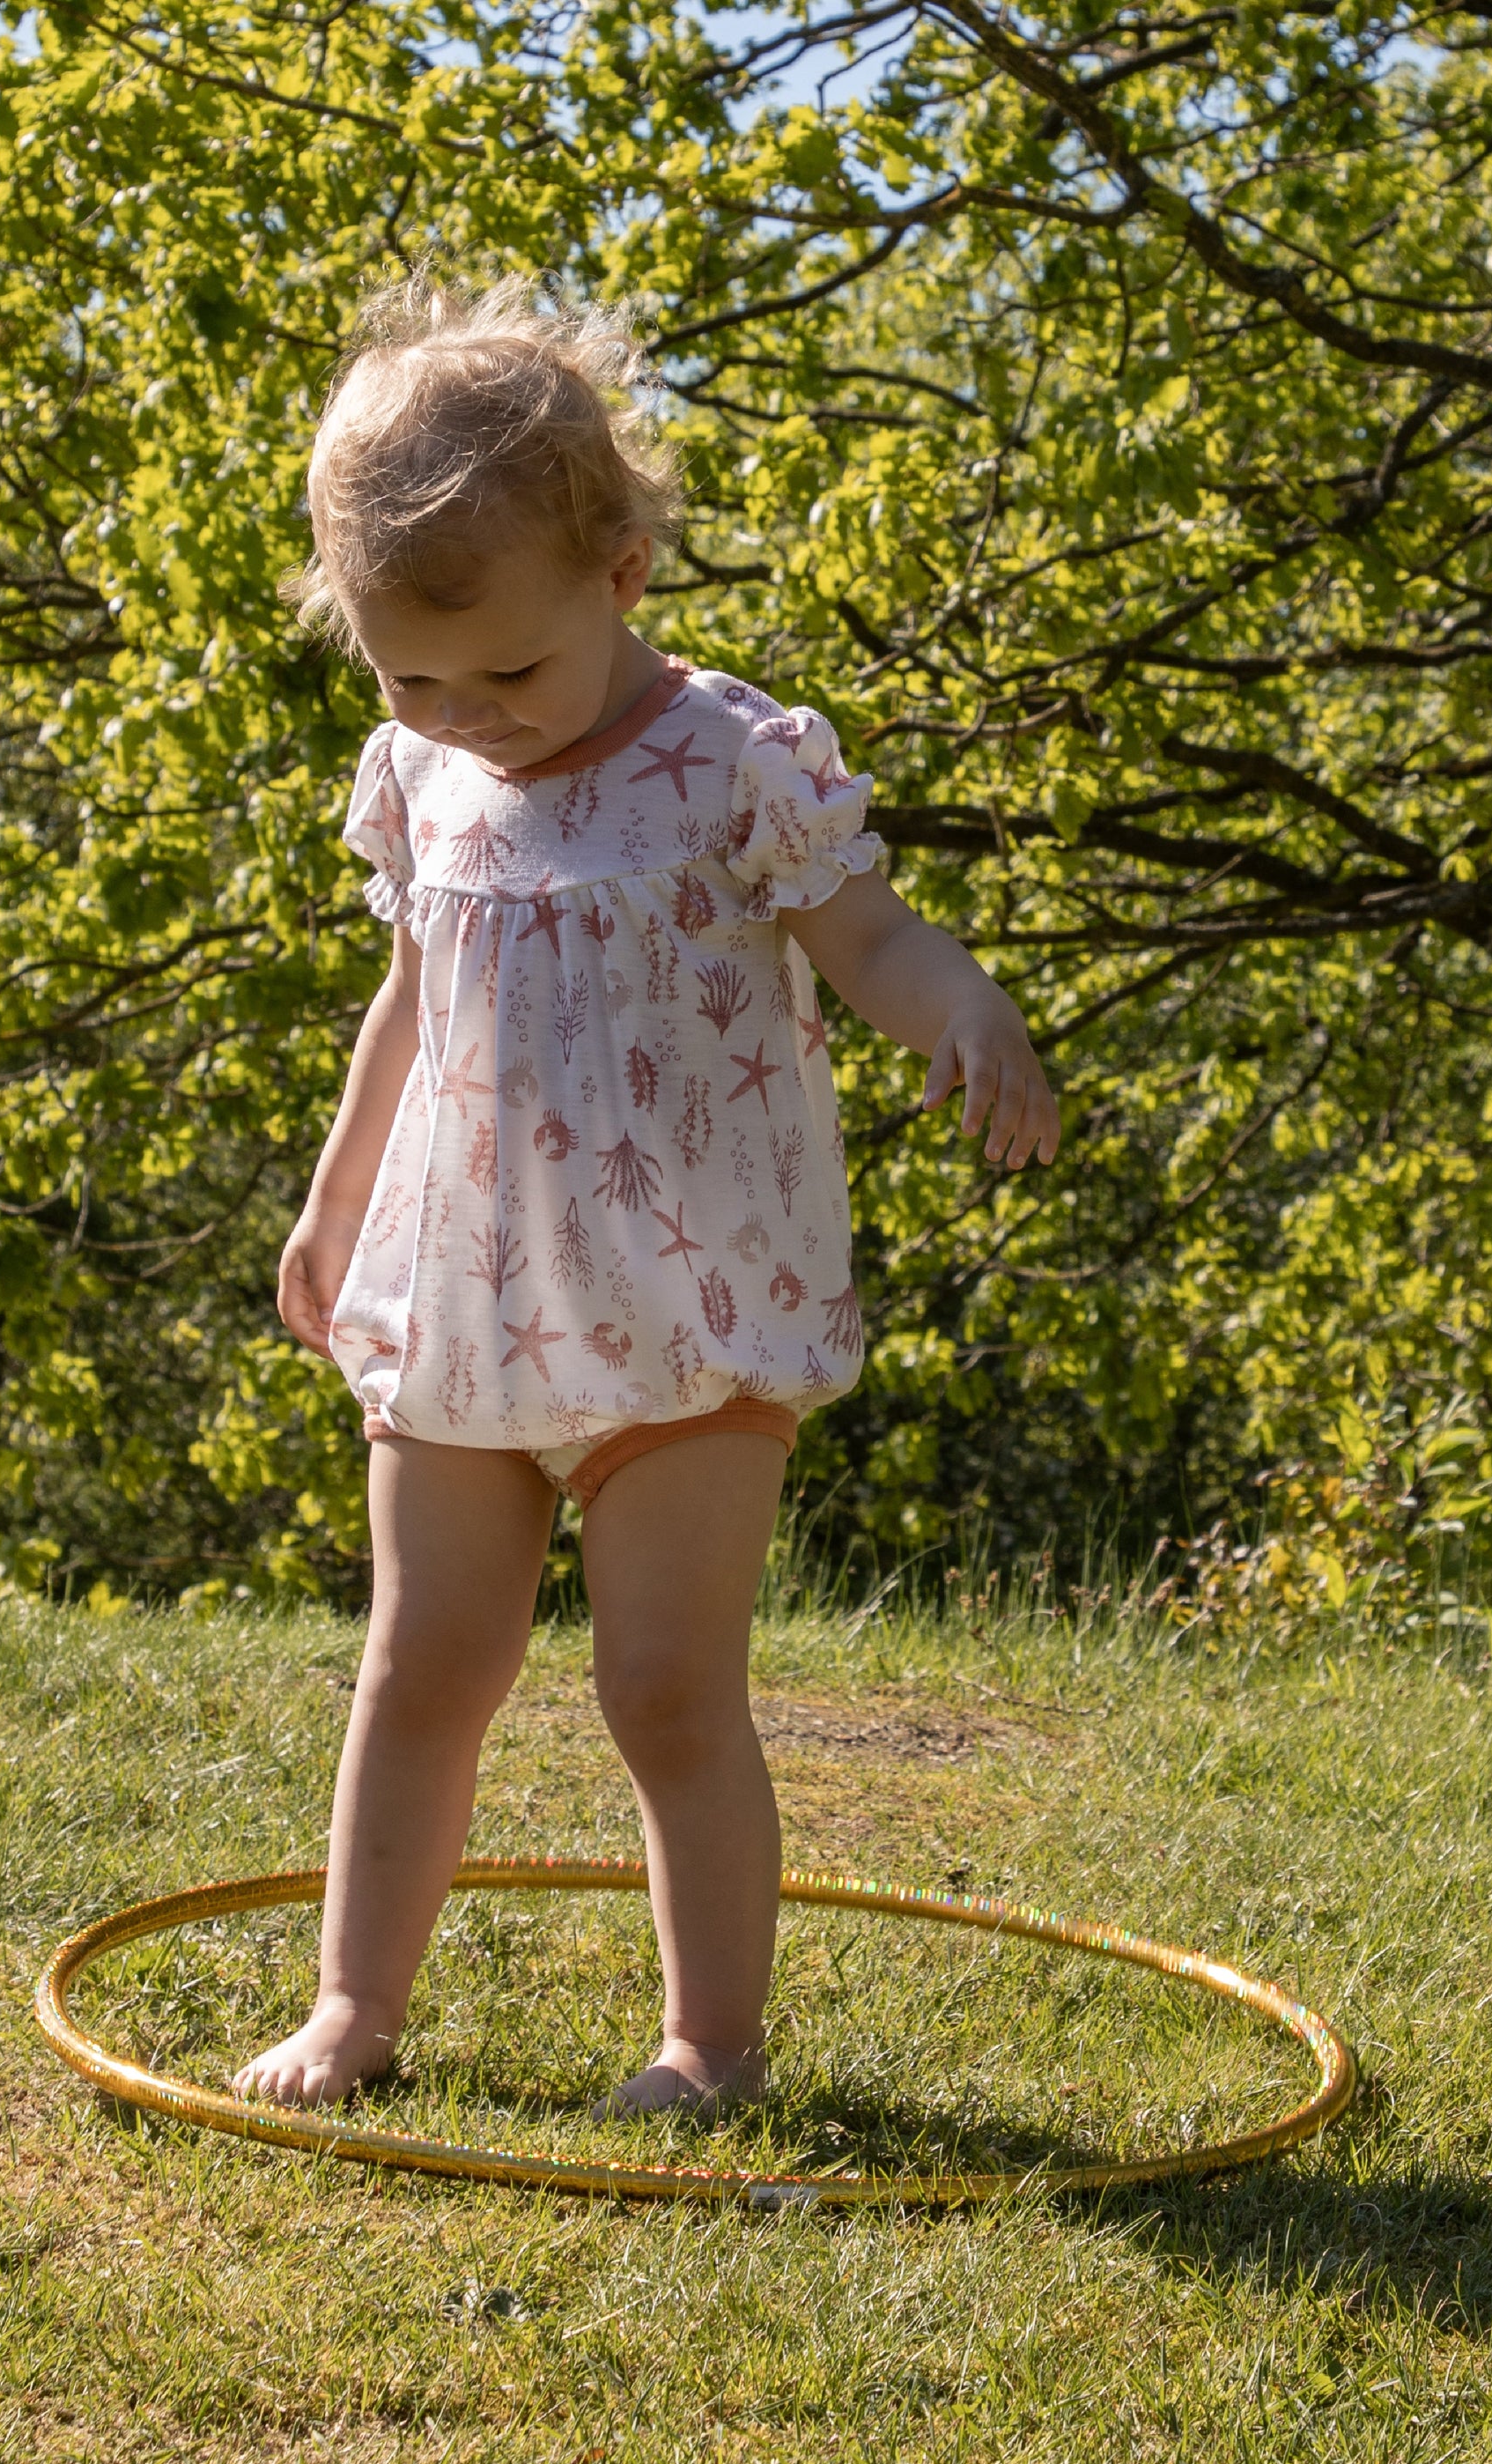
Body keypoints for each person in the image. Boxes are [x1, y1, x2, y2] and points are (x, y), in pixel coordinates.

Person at [233, 277, 1060, 2121]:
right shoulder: (424, 773)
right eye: (408, 677)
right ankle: (355, 2008)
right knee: (419, 1665)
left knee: (662, 1685)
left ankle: (710, 2047)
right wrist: (335, 1192)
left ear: (621, 567)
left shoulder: (733, 762)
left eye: (505, 674)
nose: (466, 717)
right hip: (461, 1287)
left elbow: (867, 933)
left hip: (687, 1312)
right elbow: (414, 995)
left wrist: (964, 1008)